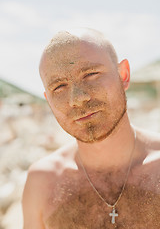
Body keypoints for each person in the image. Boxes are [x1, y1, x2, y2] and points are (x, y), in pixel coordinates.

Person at [22, 28, 160, 229]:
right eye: (59, 87)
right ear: (49, 101)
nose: (77, 99)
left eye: (91, 74)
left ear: (124, 75)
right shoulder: (42, 183)